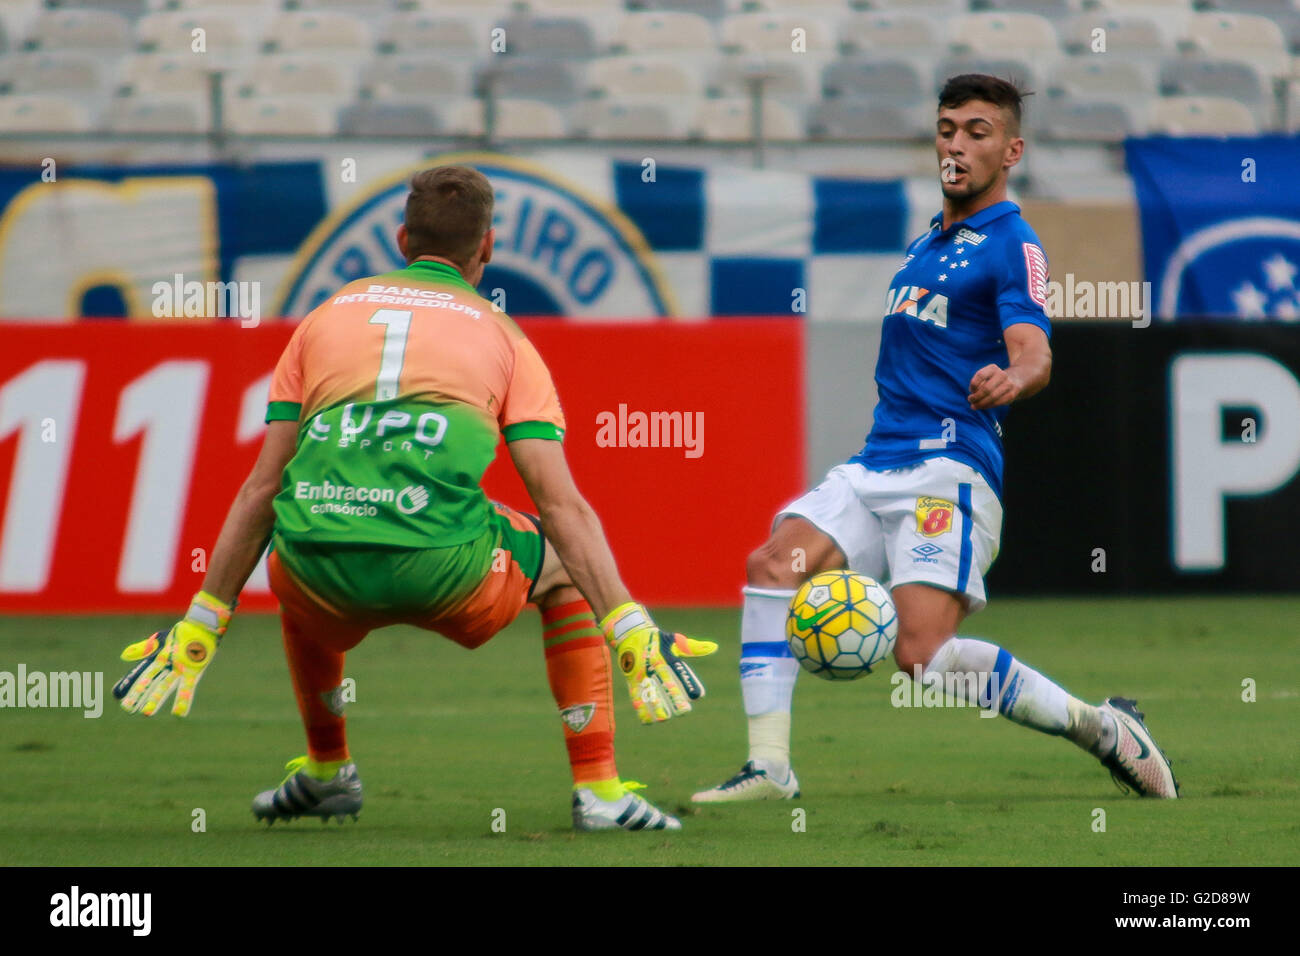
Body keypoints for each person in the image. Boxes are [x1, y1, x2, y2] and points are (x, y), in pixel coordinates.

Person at [114, 164, 717, 833]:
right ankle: (600, 789)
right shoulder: (506, 337)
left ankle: (326, 770)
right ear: (486, 248)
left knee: (300, 534)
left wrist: (204, 618)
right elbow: (562, 506)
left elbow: (264, 487)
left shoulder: (321, 320)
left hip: (318, 574)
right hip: (445, 572)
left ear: (402, 239)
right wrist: (627, 623)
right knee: (566, 566)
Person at [692, 75, 1178, 803]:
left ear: (1011, 149)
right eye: (947, 128)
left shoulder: (1014, 244)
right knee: (771, 566)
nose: (956, 143)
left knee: (920, 657)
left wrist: (1013, 380)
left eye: (977, 132)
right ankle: (770, 769)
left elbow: (1034, 349)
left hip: (946, 471)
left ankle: (1103, 728)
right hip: (875, 463)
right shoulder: (927, 242)